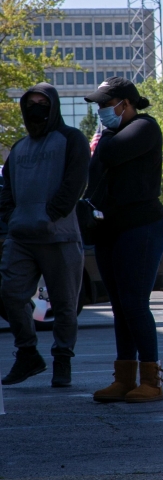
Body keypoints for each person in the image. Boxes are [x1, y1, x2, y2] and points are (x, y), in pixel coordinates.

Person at [84, 77, 163, 403]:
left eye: (106, 105)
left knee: (134, 302)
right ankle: (124, 378)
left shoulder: (145, 127)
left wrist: (102, 140)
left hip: (142, 225)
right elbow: (93, 172)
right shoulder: (109, 134)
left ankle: (152, 378)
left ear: (126, 103)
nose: (102, 112)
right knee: (120, 305)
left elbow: (111, 153)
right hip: (110, 227)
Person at [0, 84, 89, 388]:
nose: (36, 108)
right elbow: (7, 190)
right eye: (31, 103)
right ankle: (28, 354)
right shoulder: (19, 148)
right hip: (21, 236)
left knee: (64, 305)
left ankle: (62, 360)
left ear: (54, 106)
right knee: (10, 294)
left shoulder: (71, 139)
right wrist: (12, 217)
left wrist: (51, 214)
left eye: (43, 103)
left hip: (59, 236)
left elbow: (76, 181)